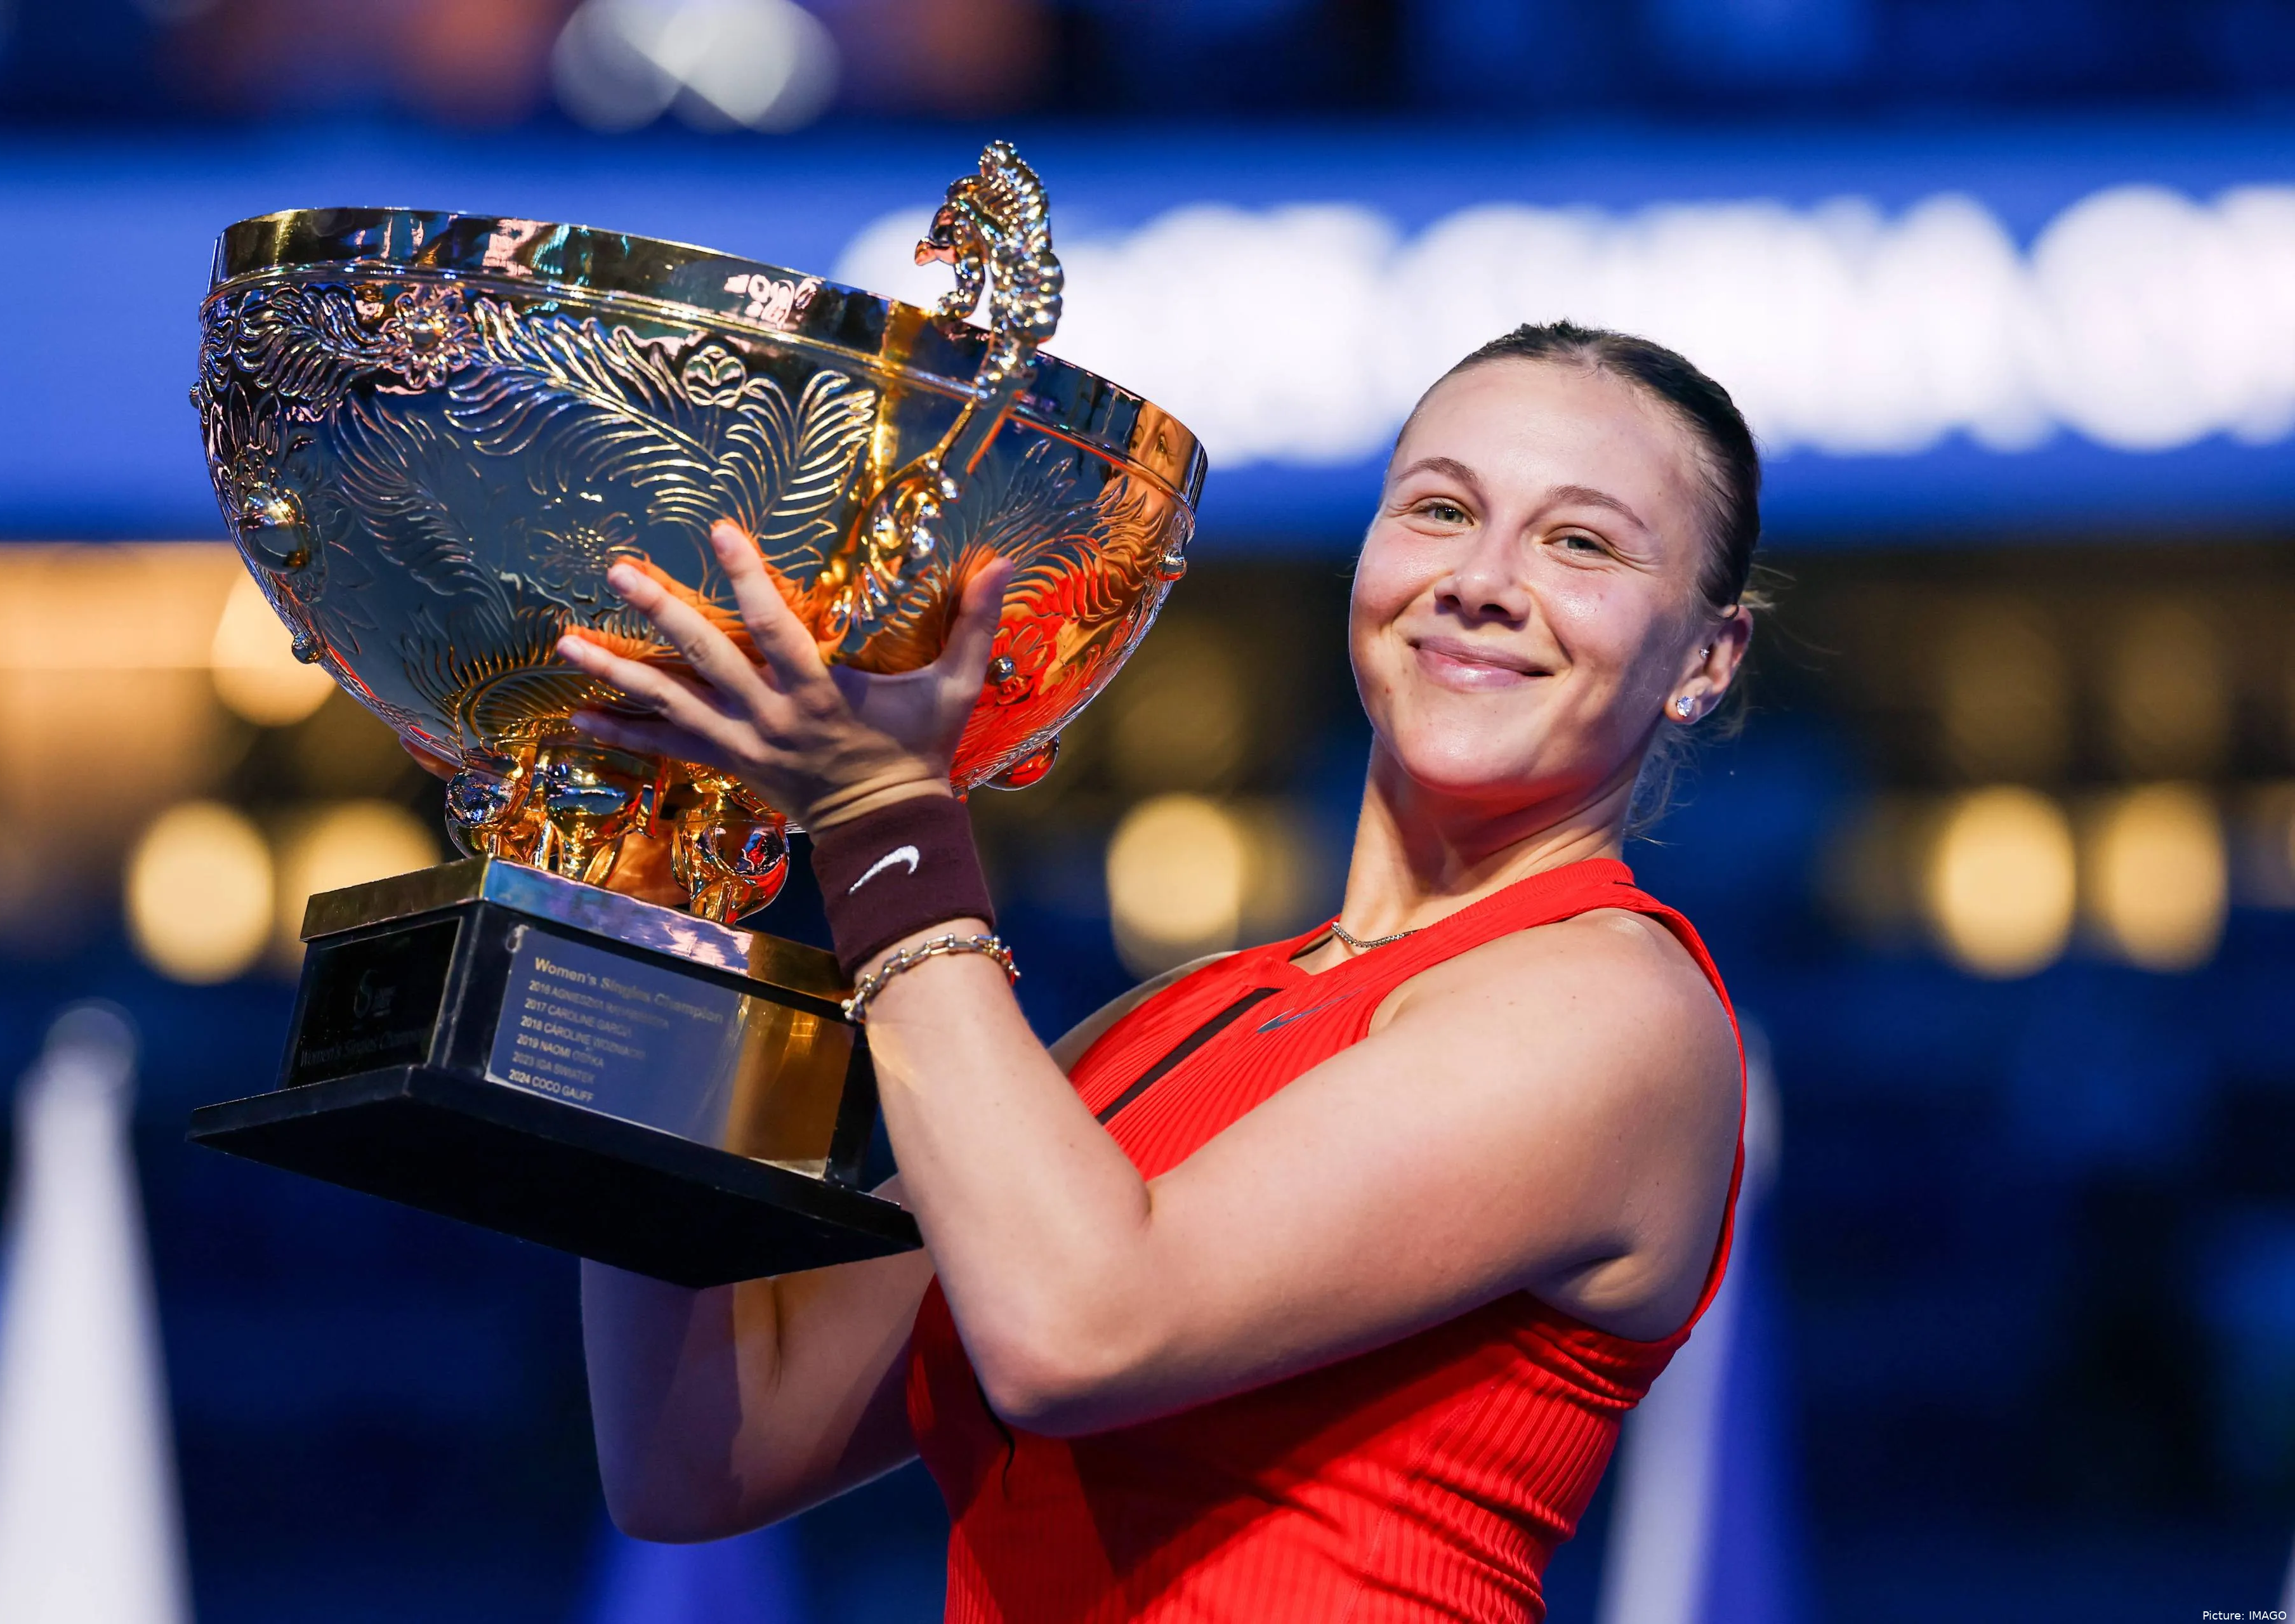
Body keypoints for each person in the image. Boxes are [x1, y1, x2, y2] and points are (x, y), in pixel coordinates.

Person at [556, 320, 1759, 1623]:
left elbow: (1079, 1328)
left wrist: (882, 825)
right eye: (1441, 508)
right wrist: (651, 923)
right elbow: (702, 1448)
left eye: (1580, 540)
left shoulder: (1616, 1008)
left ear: (1706, 656)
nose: (1482, 578)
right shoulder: (1168, 1021)